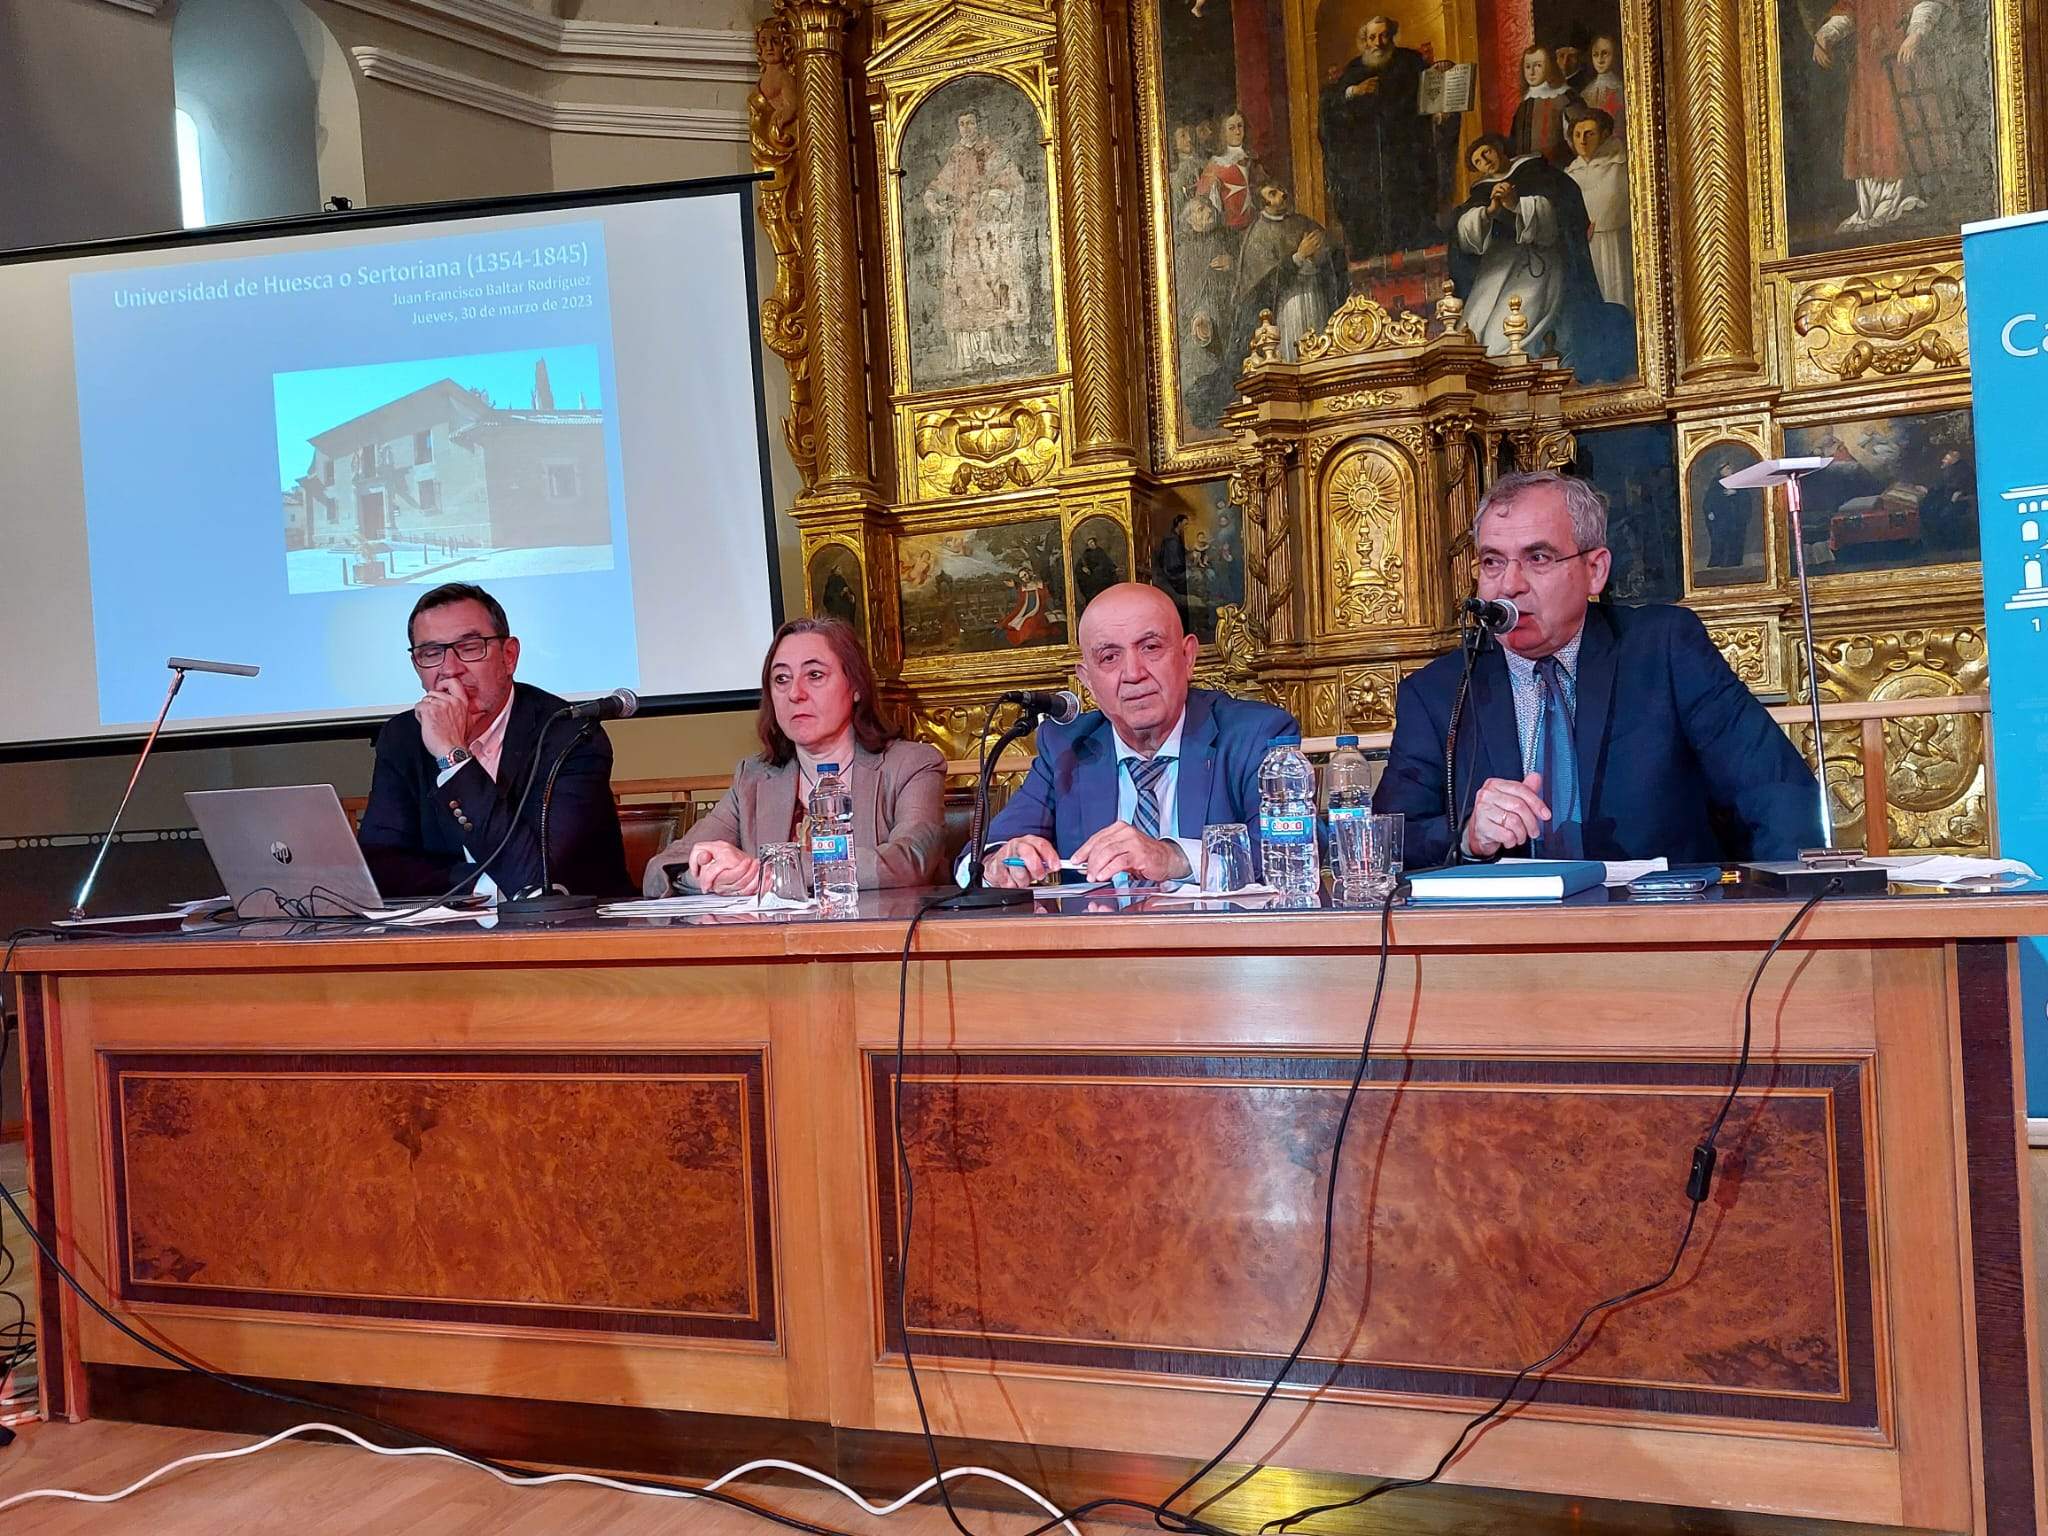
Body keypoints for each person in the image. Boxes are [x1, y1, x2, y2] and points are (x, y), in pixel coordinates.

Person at [1372, 471, 1820, 868]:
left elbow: (1775, 791)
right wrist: (1469, 836)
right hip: (1502, 941)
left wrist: (1786, 911)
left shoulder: (1663, 649)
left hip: (1660, 930)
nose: (1509, 584)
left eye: (1538, 558)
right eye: (1492, 561)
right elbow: (1388, 839)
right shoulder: (1437, 693)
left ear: (1595, 570)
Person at [972, 583, 1298, 887]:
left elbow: (1293, 852)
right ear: (1087, 679)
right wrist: (997, 863)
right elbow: (979, 858)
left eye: (1151, 647)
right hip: (1100, 946)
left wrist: (1175, 858)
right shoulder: (1065, 748)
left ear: (1188, 657)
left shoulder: (1255, 734)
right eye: (1109, 657)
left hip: (1224, 945)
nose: (1133, 674)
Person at [358, 582, 632, 899]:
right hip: (446, 937)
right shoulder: (402, 737)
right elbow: (379, 867)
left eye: (470, 648)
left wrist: (451, 755)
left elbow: (538, 880)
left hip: (573, 937)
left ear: (509, 656)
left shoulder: (569, 733)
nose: (449, 670)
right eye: (431, 653)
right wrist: (479, 886)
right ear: (417, 666)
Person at [641, 618, 945, 895]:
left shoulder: (912, 765)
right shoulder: (754, 778)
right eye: (781, 679)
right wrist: (709, 875)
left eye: (814, 675)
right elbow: (662, 869)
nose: (795, 693)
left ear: (856, 687)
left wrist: (774, 874)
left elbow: (910, 860)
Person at [1448, 134, 1621, 381]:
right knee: (1473, 328)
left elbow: (1559, 216)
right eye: (1477, 161)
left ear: (1498, 148)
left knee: (1502, 338)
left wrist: (1517, 204)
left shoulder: (1537, 172)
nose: (1485, 161)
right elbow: (1464, 237)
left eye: (1486, 152)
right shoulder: (1480, 192)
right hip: (1496, 268)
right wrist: (1488, 212)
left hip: (1539, 264)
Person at [1317, 16, 1439, 260]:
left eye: (1383, 35)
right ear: (1365, 40)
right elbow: (1332, 107)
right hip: (1367, 157)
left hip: (1404, 151)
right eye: (1372, 37)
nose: (1378, 43)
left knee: (1408, 202)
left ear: (1392, 35)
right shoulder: (1354, 69)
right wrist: (1355, 91)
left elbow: (1432, 92)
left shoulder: (1410, 61)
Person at [1230, 179, 1345, 366]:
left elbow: (1330, 252)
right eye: (1272, 194)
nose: (1282, 195)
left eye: (1281, 190)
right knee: (1294, 354)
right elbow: (1264, 285)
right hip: (1287, 305)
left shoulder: (1302, 222)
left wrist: (1321, 254)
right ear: (1262, 203)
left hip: (1315, 296)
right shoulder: (1258, 234)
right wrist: (1299, 256)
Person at [1563, 106, 1632, 309]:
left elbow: (1612, 201)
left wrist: (1590, 220)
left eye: (1589, 134)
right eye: (1577, 135)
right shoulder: (1571, 171)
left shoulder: (1618, 163)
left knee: (1614, 291)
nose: (1582, 141)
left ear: (1604, 135)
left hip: (1611, 240)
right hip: (1582, 243)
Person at [1510, 46, 1574, 168]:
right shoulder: (1524, 102)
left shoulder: (1565, 97)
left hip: (1558, 169)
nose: (1532, 72)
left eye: (1538, 66)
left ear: (1550, 67)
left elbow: (1578, 140)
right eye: (1528, 67)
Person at [1580, 34, 1626, 143]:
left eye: (1605, 54)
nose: (1600, 60)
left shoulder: (1622, 90)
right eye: (1595, 55)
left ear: (1615, 55)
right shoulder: (1585, 93)